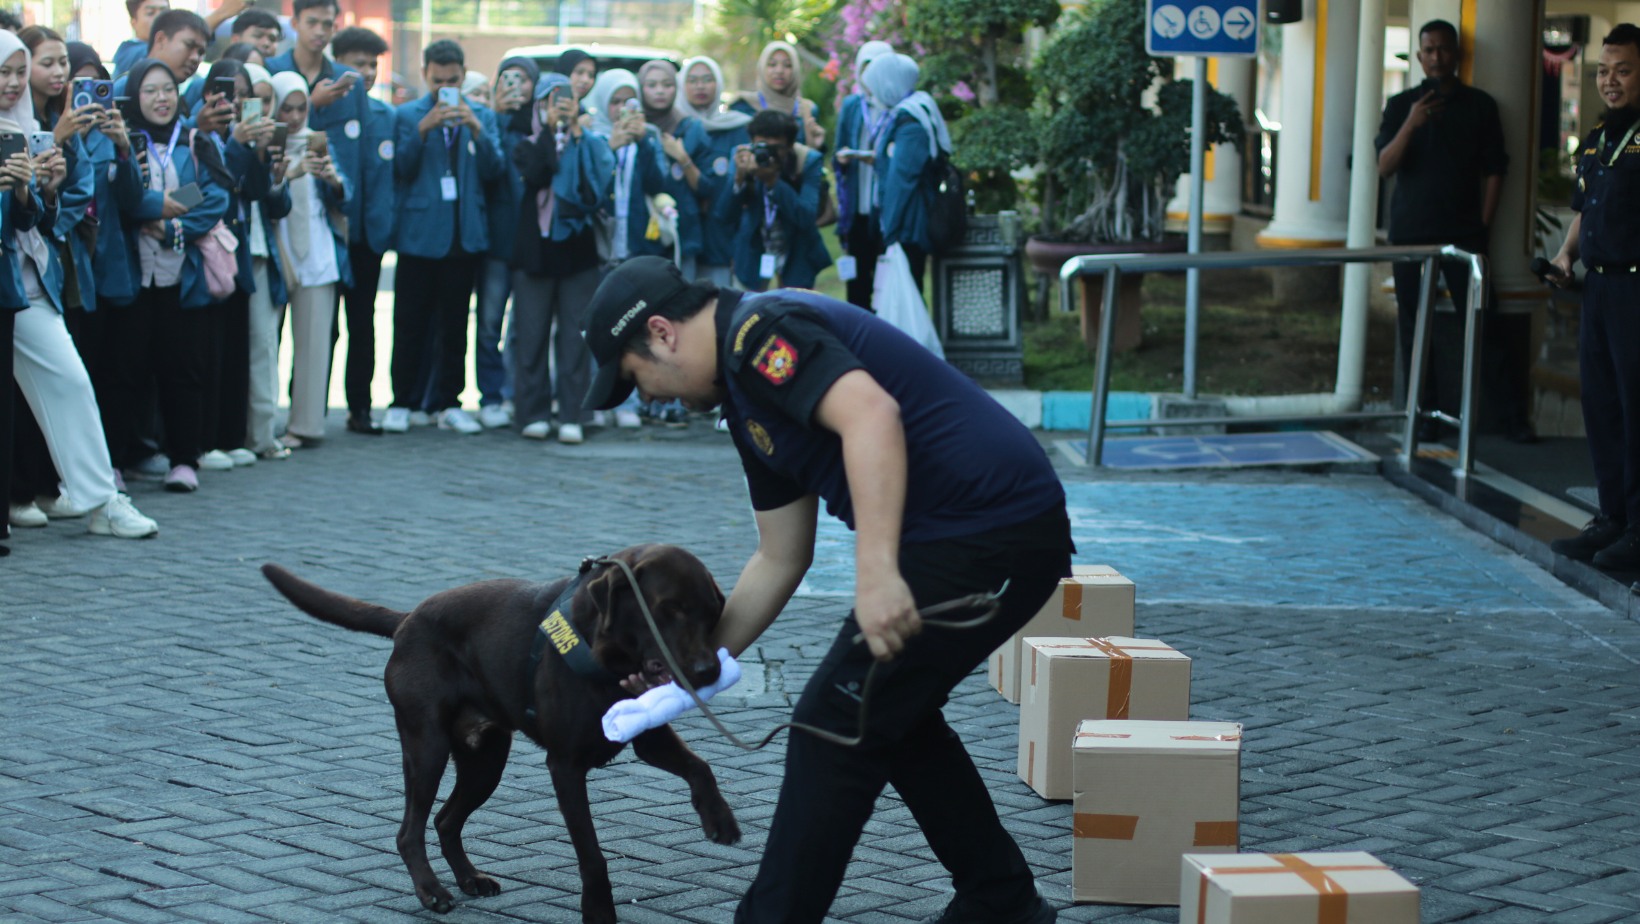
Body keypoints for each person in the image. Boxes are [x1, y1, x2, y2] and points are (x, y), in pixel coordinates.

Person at [580, 256, 1067, 924]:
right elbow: (781, 555)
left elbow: (871, 415)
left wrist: (878, 572)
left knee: (832, 723)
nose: (649, 398)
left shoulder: (760, 333)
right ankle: (1001, 900)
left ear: (662, 333)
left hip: (989, 527)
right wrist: (688, 668)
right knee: (892, 714)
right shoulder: (743, 398)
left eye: (635, 379)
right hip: (973, 535)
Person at [1, 30, 159, 539]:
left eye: (19, 71)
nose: (14, 82)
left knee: (70, 382)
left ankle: (101, 499)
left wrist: (40, 187)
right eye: (5, 72)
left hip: (27, 283)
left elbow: (43, 217)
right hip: (19, 281)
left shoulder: (33, 128)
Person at [1375, 19, 1509, 442]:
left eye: (1444, 49)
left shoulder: (1480, 105)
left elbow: (1495, 170)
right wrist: (1411, 123)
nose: (1437, 57)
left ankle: (1508, 419)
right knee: (1415, 325)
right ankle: (1424, 417)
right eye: (1429, 50)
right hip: (1411, 231)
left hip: (1465, 233)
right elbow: (1384, 166)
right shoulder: (1401, 105)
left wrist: (1483, 225)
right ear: (1419, 57)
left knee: (1484, 322)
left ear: (1457, 54)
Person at [105, 57, 231, 493]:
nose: (161, 99)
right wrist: (154, 206)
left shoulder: (195, 141)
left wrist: (171, 225)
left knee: (184, 371)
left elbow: (215, 197)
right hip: (133, 277)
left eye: (168, 90)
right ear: (133, 97)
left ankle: (184, 461)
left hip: (183, 277)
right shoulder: (123, 140)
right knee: (123, 373)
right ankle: (114, 462)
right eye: (150, 91)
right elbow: (123, 198)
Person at [1548, 23, 1640, 572]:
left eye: (1623, 71)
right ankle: (1612, 519)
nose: (1610, 81)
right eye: (1603, 71)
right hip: (1598, 287)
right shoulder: (1599, 137)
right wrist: (1565, 257)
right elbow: (1584, 211)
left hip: (1635, 288)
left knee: (1635, 408)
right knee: (1601, 406)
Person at [380, 39, 502, 436]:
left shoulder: (481, 116)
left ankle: (450, 402)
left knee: (455, 326)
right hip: (418, 235)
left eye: (452, 80)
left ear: (463, 76)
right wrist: (423, 129)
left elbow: (495, 171)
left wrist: (476, 128)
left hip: (464, 236)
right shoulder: (407, 115)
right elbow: (400, 168)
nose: (444, 88)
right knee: (409, 324)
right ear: (424, 74)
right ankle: (401, 402)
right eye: (437, 81)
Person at [508, 72, 612, 444]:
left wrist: (576, 134)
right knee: (531, 336)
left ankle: (573, 414)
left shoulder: (589, 142)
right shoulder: (527, 144)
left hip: (577, 251)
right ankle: (533, 413)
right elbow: (537, 174)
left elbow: (594, 188)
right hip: (534, 252)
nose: (558, 107)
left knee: (575, 339)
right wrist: (552, 132)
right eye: (549, 101)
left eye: (565, 100)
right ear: (538, 106)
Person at [270, 71, 351, 449]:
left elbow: (343, 196)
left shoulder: (318, 141)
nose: (294, 116)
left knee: (315, 344)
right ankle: (259, 423)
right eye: (286, 108)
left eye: (301, 108)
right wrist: (289, 173)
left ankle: (306, 424)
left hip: (317, 251)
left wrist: (334, 181)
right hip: (279, 247)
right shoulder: (266, 144)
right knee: (265, 343)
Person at [265, 0, 370, 281]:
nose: (320, 31)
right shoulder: (272, 71)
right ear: (295, 23)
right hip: (277, 205)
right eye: (312, 22)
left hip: (329, 208)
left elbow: (363, 152)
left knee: (325, 298)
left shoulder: (349, 82)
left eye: (327, 24)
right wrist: (312, 103)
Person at [329, 26, 396, 436]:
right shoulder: (328, 112)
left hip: (370, 239)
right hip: (331, 234)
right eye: (358, 64)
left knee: (363, 325)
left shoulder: (388, 116)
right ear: (338, 65)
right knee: (323, 327)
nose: (368, 72)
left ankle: (361, 408)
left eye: (373, 65)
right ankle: (307, 408)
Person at [475, 54, 538, 431]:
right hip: (496, 242)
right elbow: (489, 169)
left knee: (526, 327)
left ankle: (519, 395)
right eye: (508, 78)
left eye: (523, 79)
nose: (516, 86)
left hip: (531, 242)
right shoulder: (488, 120)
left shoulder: (541, 123)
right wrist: (496, 117)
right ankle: (491, 396)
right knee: (489, 324)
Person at [240, 62, 295, 461]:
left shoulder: (271, 143)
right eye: (251, 99)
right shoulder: (219, 140)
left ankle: (260, 434)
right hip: (221, 256)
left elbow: (278, 207)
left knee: (263, 344)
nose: (260, 108)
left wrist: (276, 177)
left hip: (259, 254)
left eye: (266, 99)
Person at [715, 109, 832, 292]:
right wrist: (738, 178)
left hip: (797, 253)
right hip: (752, 255)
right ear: (752, 141)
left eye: (776, 148)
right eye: (762, 146)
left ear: (790, 145)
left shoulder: (807, 160)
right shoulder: (742, 156)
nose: (768, 154)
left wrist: (772, 181)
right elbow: (724, 215)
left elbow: (806, 216)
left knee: (795, 308)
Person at [863, 53, 948, 292]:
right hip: (905, 223)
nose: (873, 93)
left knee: (907, 296)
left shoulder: (910, 122)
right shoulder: (911, 111)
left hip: (908, 226)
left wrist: (889, 232)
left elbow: (902, 180)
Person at [678, 56, 750, 288]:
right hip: (682, 240)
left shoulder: (738, 126)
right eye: (693, 80)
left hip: (723, 238)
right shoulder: (673, 128)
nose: (700, 86)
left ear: (718, 84)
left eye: (707, 80)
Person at [833, 41, 893, 308]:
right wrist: (843, 159)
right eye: (865, 69)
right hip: (857, 209)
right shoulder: (852, 105)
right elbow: (838, 151)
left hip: (886, 211)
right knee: (857, 286)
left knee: (886, 282)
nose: (870, 77)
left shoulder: (895, 106)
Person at [732, 40, 824, 150]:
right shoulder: (743, 107)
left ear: (795, 70)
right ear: (762, 68)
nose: (779, 71)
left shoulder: (807, 110)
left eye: (787, 65)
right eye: (772, 64)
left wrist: (818, 146)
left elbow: (813, 156)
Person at [554, 47, 596, 114]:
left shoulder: (584, 113)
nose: (585, 80)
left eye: (591, 75)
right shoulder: (542, 108)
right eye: (579, 72)